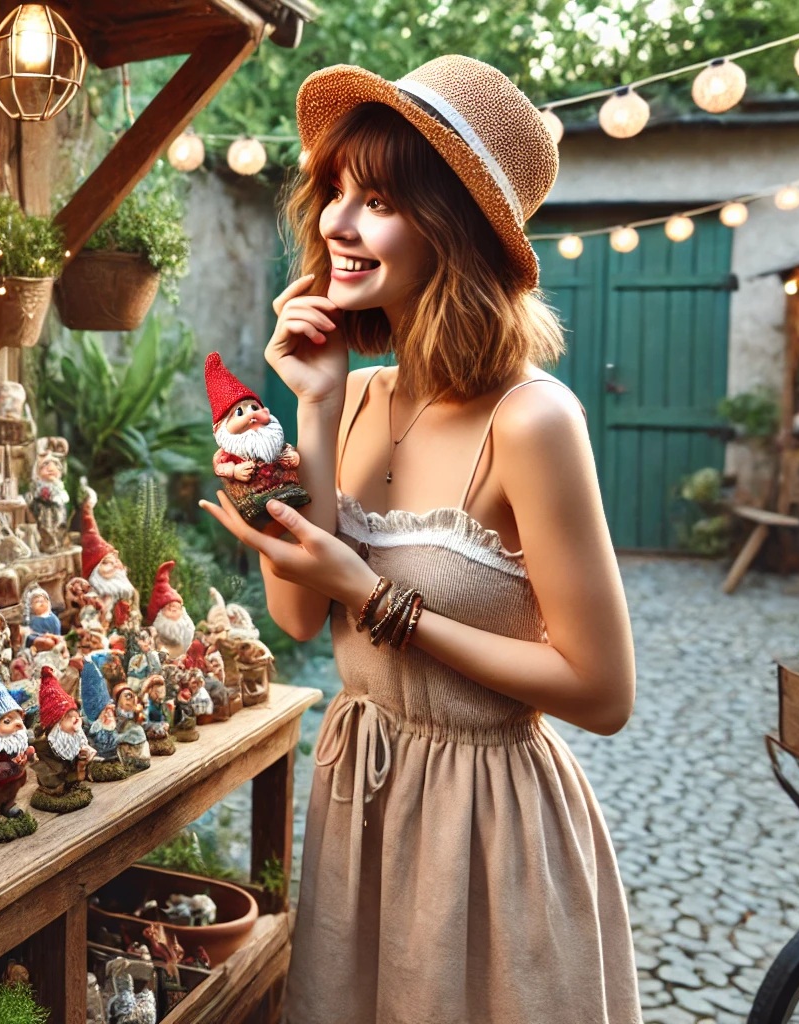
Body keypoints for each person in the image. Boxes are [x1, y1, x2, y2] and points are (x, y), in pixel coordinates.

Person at [198, 56, 640, 1024]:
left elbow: (602, 693)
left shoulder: (532, 421)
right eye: (336, 194)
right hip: (361, 796)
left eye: (379, 201)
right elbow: (298, 614)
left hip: (491, 826)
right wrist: (310, 409)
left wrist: (376, 596)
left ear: (453, 231)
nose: (336, 225)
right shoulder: (349, 396)